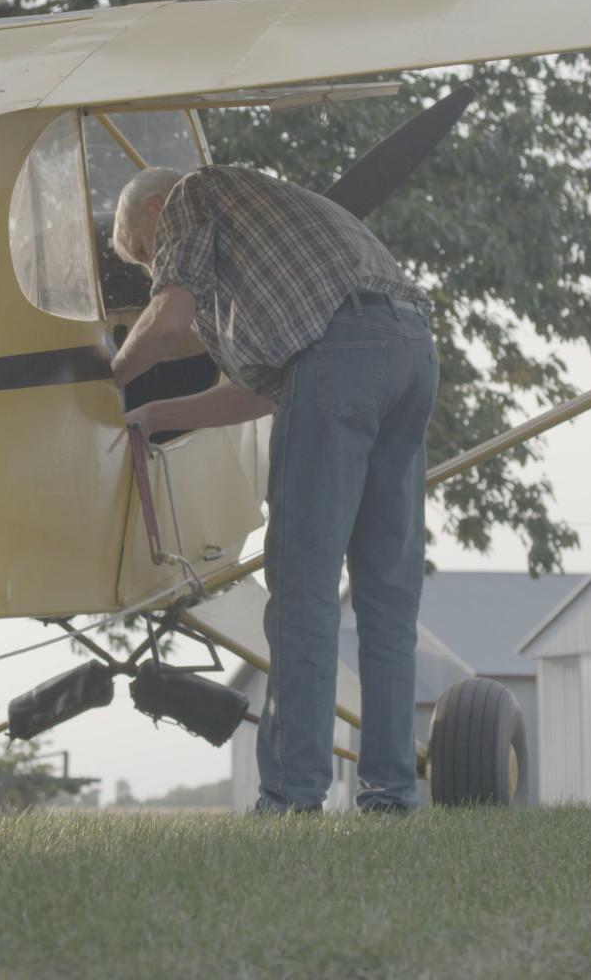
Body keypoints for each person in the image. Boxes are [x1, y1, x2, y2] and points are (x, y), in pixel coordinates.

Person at [106, 164, 439, 813]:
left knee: (303, 595)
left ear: (151, 209)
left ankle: (291, 795)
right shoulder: (279, 220)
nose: (154, 270)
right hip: (413, 355)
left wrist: (110, 375)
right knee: (386, 600)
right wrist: (154, 416)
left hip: (340, 359)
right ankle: (390, 794)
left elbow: (168, 320)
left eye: (145, 253)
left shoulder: (190, 196)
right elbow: (272, 392)